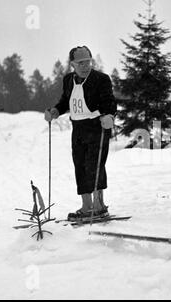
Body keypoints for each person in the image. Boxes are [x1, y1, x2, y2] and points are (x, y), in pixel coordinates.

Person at [44, 46, 116, 221]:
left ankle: (99, 207)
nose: (85, 66)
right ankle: (86, 206)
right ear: (72, 65)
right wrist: (55, 111)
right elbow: (65, 101)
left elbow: (110, 102)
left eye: (88, 62)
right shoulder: (69, 79)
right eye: (81, 63)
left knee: (95, 165)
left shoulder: (101, 79)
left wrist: (110, 116)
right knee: (80, 166)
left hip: (97, 126)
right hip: (78, 128)